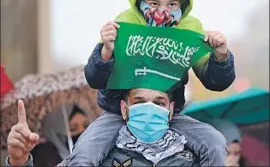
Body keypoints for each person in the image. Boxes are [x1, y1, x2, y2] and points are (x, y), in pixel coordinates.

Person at [61, 0, 235, 165]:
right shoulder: (125, 22)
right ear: (140, 0)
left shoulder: (190, 28)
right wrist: (106, 51)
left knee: (215, 143)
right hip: (119, 113)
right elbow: (94, 79)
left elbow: (216, 82)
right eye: (154, 3)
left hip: (167, 114)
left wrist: (221, 55)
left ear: (183, 4)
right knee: (84, 153)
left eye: (172, 4)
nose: (162, 11)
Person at [6, 89, 227, 166]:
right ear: (124, 108)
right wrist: (19, 161)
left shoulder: (193, 157)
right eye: (139, 101)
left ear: (170, 110)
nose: (149, 110)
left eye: (158, 103)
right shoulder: (97, 155)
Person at [5, 101, 88, 167]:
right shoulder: (43, 156)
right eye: (73, 128)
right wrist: (17, 163)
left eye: (85, 125)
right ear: (55, 130)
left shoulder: (93, 152)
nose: (82, 132)